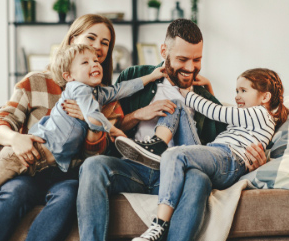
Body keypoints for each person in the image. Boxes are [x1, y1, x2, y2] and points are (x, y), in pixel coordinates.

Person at [77, 19, 267, 241]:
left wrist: (253, 160)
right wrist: (138, 114)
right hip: (134, 168)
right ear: (164, 51)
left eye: (197, 60)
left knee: (199, 178)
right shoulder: (135, 76)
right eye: (182, 59)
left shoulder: (203, 96)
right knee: (92, 165)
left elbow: (223, 149)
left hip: (179, 174)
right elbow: (109, 129)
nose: (190, 68)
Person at [117, 67, 289, 241]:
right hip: (217, 154)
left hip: (229, 158)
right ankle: (157, 144)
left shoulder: (260, 113)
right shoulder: (250, 118)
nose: (237, 96)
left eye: (243, 91)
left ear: (265, 97)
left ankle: (159, 225)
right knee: (175, 105)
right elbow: (222, 118)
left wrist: (185, 92)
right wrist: (208, 87)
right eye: (236, 91)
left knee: (174, 154)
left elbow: (217, 112)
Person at [0, 14, 120, 241]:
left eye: (105, 43)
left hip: (68, 175)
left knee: (69, 194)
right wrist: (15, 139)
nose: (98, 47)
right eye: (91, 37)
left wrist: (91, 121)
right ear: (72, 39)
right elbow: (2, 123)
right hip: (29, 169)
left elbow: (94, 156)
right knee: (15, 192)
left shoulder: (104, 98)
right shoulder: (35, 80)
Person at [0, 44, 164, 196]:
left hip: (38, 161)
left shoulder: (97, 92)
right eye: (85, 62)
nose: (95, 64)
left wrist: (151, 77)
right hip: (29, 153)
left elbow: (122, 88)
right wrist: (116, 131)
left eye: (96, 60)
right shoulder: (79, 89)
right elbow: (93, 118)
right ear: (69, 77)